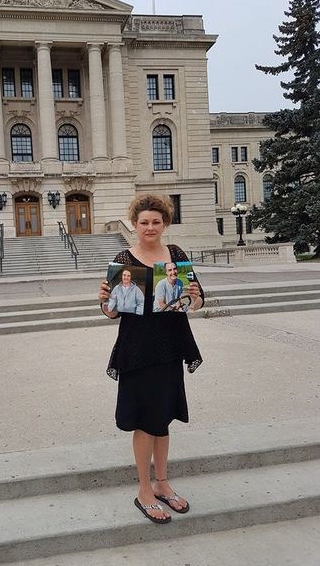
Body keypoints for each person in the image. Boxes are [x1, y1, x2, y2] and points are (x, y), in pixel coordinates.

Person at [98, 194, 204, 524]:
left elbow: (196, 302)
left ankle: (162, 482)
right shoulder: (123, 259)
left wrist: (197, 298)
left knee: (163, 418)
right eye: (144, 222)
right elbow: (112, 312)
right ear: (135, 224)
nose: (150, 227)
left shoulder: (176, 255)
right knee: (145, 422)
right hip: (137, 349)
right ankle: (144, 489)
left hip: (170, 347)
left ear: (165, 224)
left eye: (156, 221)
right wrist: (105, 301)